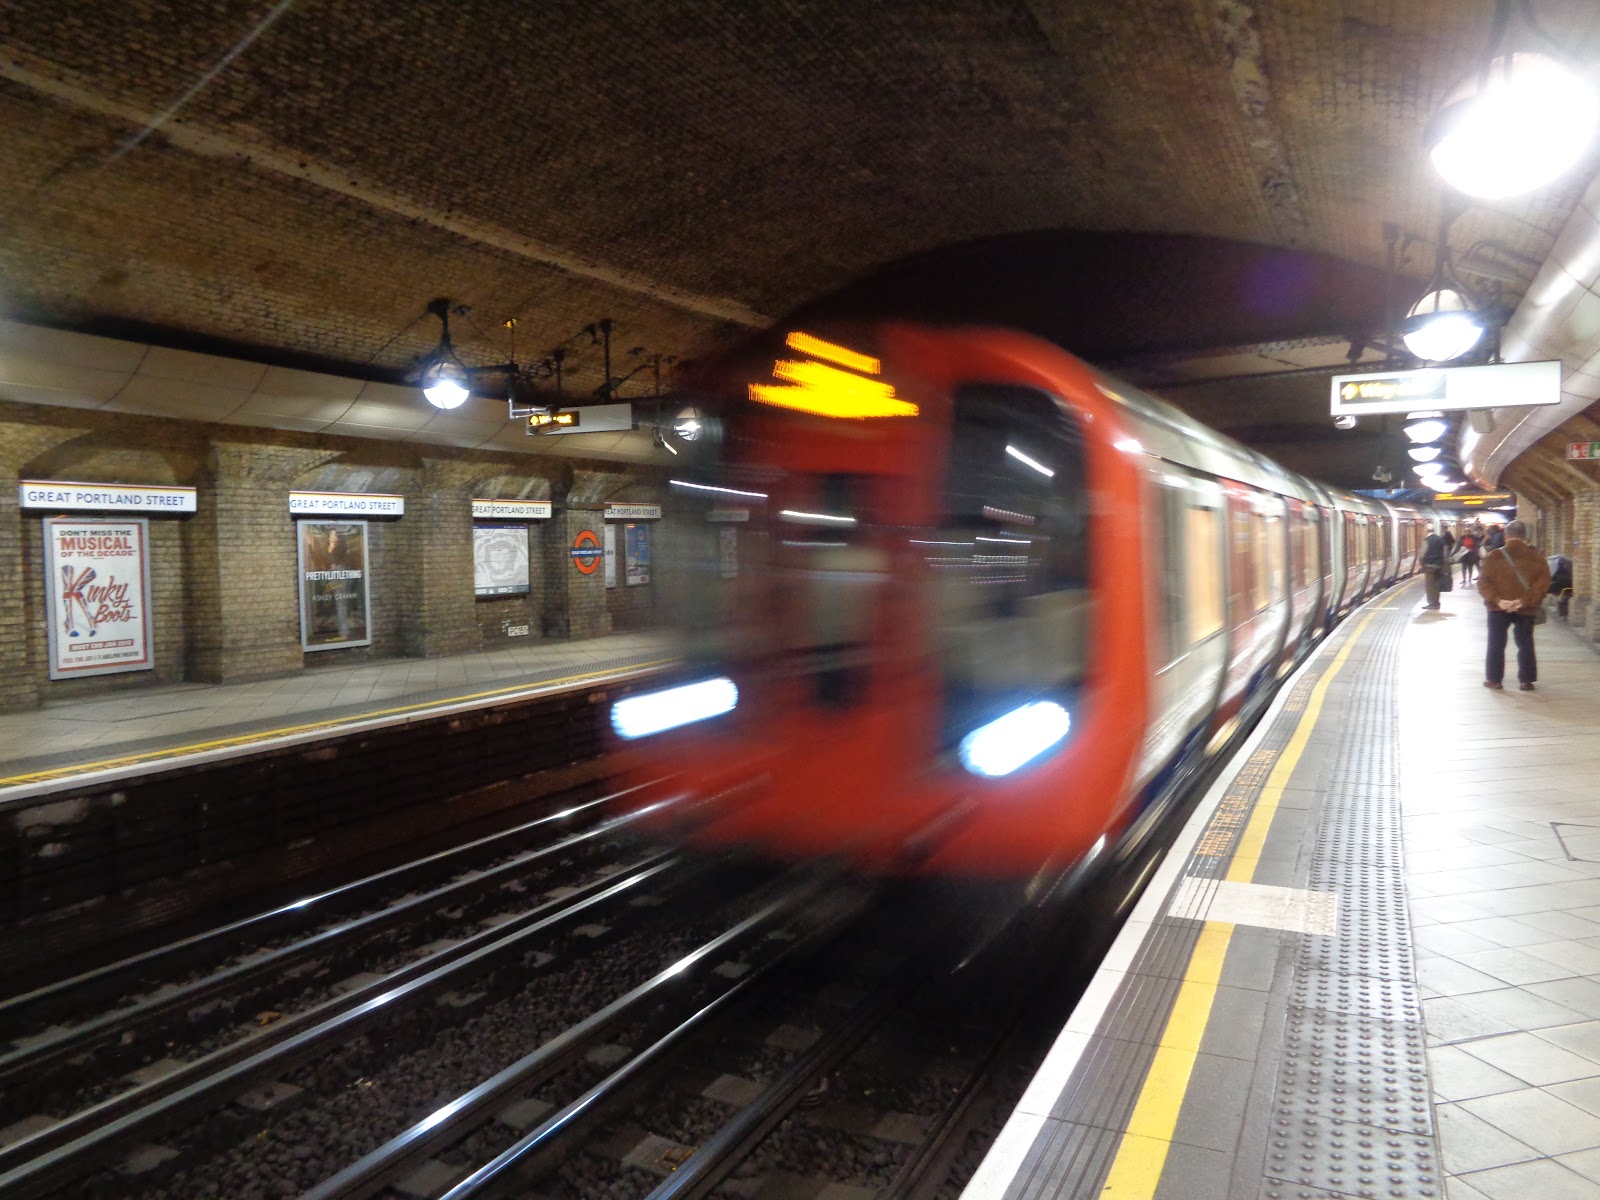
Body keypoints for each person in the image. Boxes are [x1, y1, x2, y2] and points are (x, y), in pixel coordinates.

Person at [1478, 519, 1551, 691]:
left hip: (1498, 609)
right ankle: (1526, 680)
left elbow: (1484, 583)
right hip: (1525, 609)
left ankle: (1494, 680)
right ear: (1525, 536)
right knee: (1525, 643)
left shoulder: (1493, 556)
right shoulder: (1537, 558)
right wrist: (1522, 601)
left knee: (1495, 643)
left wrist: (1499, 601)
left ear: (1506, 535)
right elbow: (1542, 586)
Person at [1419, 523, 1447, 610]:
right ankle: (1436, 602)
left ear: (1426, 530)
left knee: (1430, 585)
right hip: (1439, 565)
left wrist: (1421, 564)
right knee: (1437, 585)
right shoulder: (1440, 539)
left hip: (1429, 566)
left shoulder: (1426, 540)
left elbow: (1422, 555)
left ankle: (1432, 603)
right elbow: (1445, 553)